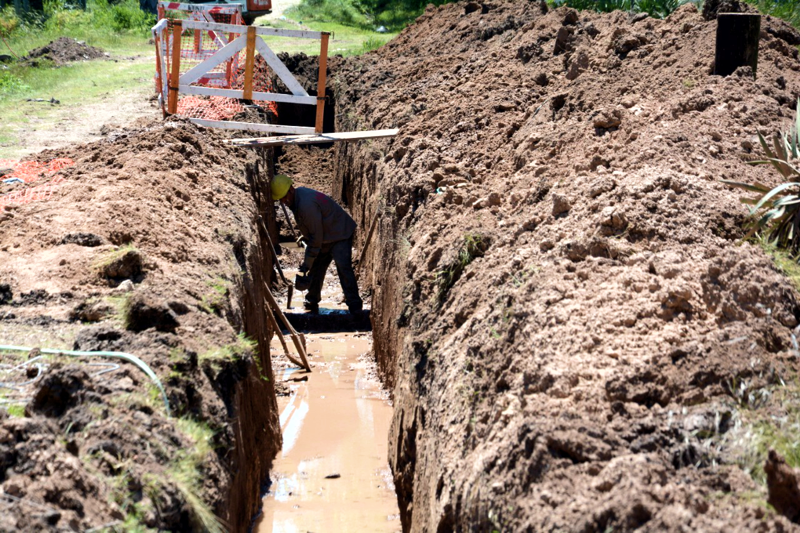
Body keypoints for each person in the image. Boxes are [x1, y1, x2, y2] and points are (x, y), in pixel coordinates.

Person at [270, 174, 363, 314]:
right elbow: (314, 228)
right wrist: (306, 236)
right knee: (317, 267)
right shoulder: (298, 197)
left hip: (340, 233)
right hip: (326, 234)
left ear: (290, 190)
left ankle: (355, 307)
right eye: (280, 199)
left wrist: (306, 264)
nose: (283, 202)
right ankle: (311, 301)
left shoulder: (305, 205)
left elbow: (316, 239)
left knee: (343, 268)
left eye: (283, 197)